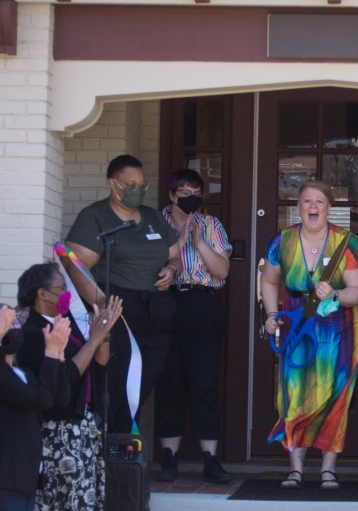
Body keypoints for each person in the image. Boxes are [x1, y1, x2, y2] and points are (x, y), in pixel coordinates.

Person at [260, 181, 358, 490]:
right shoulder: (281, 241)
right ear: (298, 206)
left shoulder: (347, 242)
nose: (312, 206)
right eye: (306, 200)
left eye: (319, 201)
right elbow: (269, 281)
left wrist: (334, 293)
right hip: (297, 320)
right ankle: (295, 469)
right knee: (294, 393)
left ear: (328, 207)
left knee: (335, 396)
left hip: (342, 326)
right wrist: (271, 315)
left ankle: (327, 470)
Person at [65, 154, 182, 433]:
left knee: (144, 381)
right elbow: (75, 266)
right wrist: (101, 305)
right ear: (112, 183)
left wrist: (172, 270)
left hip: (156, 312)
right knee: (117, 384)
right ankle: (116, 446)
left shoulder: (153, 217)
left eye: (142, 185)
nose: (137, 190)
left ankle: (125, 444)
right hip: (119, 309)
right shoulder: (95, 217)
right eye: (130, 184)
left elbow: (175, 256)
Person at [16, 263, 122, 510]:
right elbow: (64, 376)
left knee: (85, 496)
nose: (67, 294)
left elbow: (99, 363)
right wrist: (93, 340)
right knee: (63, 497)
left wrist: (103, 332)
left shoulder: (64, 321)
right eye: (61, 288)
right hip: (56, 428)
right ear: (42, 294)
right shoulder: (30, 331)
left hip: (81, 422)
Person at [154, 169, 233, 484]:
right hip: (166, 303)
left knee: (204, 382)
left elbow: (222, 270)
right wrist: (179, 241)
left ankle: (210, 459)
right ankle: (168, 459)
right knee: (169, 381)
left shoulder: (211, 224)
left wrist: (199, 242)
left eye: (196, 192)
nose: (191, 197)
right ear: (172, 195)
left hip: (203, 303)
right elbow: (145, 263)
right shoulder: (154, 223)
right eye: (185, 192)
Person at [0, 303, 69, 511]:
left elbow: (58, 401)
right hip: (1, 479)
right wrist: (49, 353)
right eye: (4, 324)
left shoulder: (23, 373)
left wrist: (59, 354)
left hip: (25, 478)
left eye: (14, 321)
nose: (13, 328)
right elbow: (42, 399)